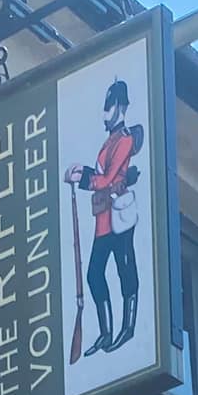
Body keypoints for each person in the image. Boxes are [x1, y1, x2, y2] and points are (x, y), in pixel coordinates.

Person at [66, 78, 144, 357]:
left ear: (120, 107)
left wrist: (85, 178)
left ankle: (129, 327)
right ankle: (106, 331)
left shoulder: (123, 140)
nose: (105, 111)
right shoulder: (108, 140)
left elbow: (109, 179)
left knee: (126, 270)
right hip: (103, 218)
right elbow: (101, 175)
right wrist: (83, 171)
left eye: (109, 105)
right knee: (94, 274)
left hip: (119, 215)